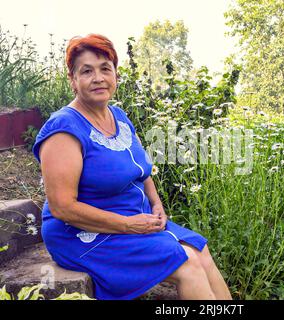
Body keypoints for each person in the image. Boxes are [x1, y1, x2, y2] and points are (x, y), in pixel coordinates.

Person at [32, 34, 232, 300]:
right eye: (87, 71)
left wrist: (156, 204)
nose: (98, 77)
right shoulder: (63, 130)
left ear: (115, 74)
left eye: (106, 68)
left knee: (200, 250)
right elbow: (62, 207)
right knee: (186, 262)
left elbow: (141, 169)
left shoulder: (120, 117)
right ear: (73, 79)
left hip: (133, 216)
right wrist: (127, 225)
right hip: (81, 232)